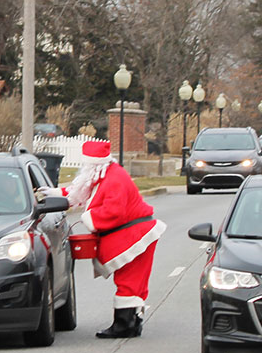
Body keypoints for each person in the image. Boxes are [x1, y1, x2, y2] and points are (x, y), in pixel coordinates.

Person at [38, 141, 166, 338]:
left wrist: (88, 218)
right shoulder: (105, 174)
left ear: (93, 163)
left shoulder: (114, 179)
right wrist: (56, 193)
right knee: (133, 281)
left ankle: (124, 325)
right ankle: (132, 321)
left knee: (129, 280)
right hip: (134, 235)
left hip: (134, 236)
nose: (84, 167)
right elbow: (80, 190)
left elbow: (114, 211)